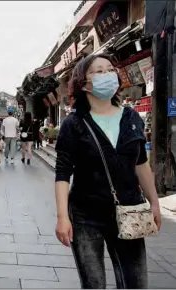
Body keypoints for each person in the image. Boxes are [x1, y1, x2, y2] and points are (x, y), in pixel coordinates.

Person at [54, 53, 162, 289]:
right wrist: (63, 217)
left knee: (135, 283)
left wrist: (154, 202)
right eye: (99, 71)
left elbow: (141, 163)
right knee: (94, 283)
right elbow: (63, 173)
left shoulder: (132, 118)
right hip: (85, 215)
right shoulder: (74, 124)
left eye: (110, 69)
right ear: (84, 82)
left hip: (130, 208)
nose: (107, 74)